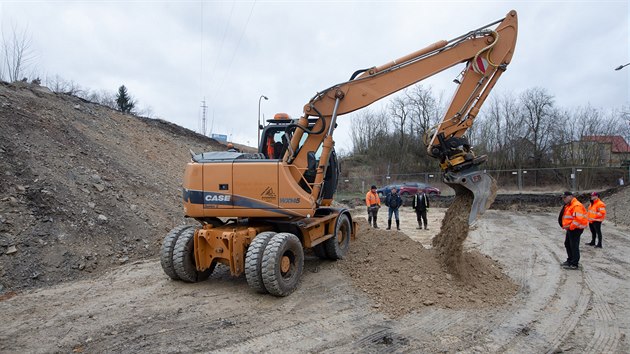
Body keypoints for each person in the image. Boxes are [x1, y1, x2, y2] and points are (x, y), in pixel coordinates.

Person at [559, 191, 588, 270]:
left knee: (574, 245)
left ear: (571, 196)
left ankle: (574, 263)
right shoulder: (569, 205)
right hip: (571, 228)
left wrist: (570, 227)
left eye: (565, 197)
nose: (564, 199)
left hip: (575, 229)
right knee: (568, 244)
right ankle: (570, 260)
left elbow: (577, 220)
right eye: (563, 198)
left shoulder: (576, 205)